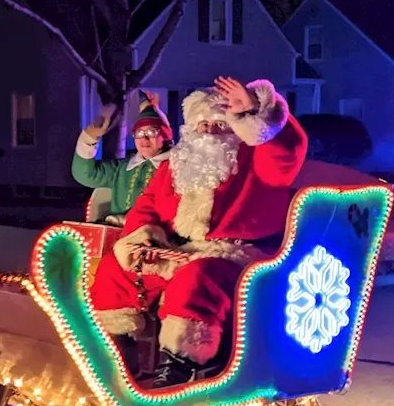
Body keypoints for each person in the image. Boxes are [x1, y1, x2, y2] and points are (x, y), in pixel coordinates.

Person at [90, 76, 308, 388]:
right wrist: (144, 239)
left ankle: (179, 369)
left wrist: (255, 113)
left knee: (198, 278)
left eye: (219, 124)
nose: (208, 132)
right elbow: (147, 206)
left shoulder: (258, 160)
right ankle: (117, 355)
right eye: (201, 124)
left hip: (236, 254)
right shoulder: (177, 165)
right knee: (117, 267)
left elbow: (287, 149)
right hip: (180, 249)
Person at [72, 92, 174, 223]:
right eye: (139, 133)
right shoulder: (122, 168)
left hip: (157, 237)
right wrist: (90, 137)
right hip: (118, 235)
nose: (144, 138)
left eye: (151, 132)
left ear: (165, 136)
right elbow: (85, 174)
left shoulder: (176, 169)